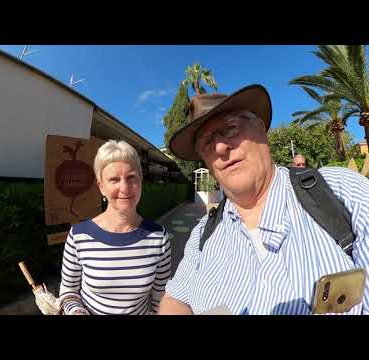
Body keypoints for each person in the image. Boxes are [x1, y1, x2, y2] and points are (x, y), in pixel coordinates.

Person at [158, 84, 369, 315]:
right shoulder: (202, 234)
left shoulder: (341, 190)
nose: (219, 147)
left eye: (230, 129)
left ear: (260, 127)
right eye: (206, 143)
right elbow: (174, 299)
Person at [35, 140, 171, 315]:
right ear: (101, 187)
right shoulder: (79, 236)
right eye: (114, 179)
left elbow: (160, 298)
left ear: (140, 181)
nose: (125, 187)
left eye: (131, 177)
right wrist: (76, 311)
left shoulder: (159, 238)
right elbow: (69, 291)